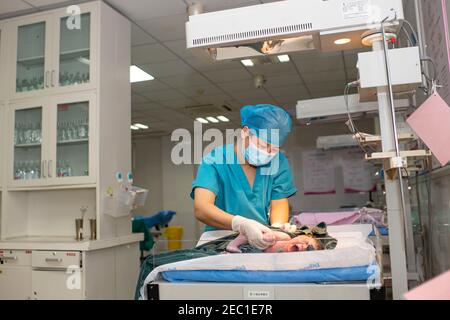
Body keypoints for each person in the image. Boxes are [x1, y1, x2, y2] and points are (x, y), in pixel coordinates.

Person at [191, 104, 297, 250]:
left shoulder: (278, 161)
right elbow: (201, 208)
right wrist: (241, 224)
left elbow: (278, 202)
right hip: (219, 240)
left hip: (261, 240)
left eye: (273, 149)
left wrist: (277, 228)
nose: (267, 153)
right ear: (245, 132)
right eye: (262, 145)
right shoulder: (215, 160)